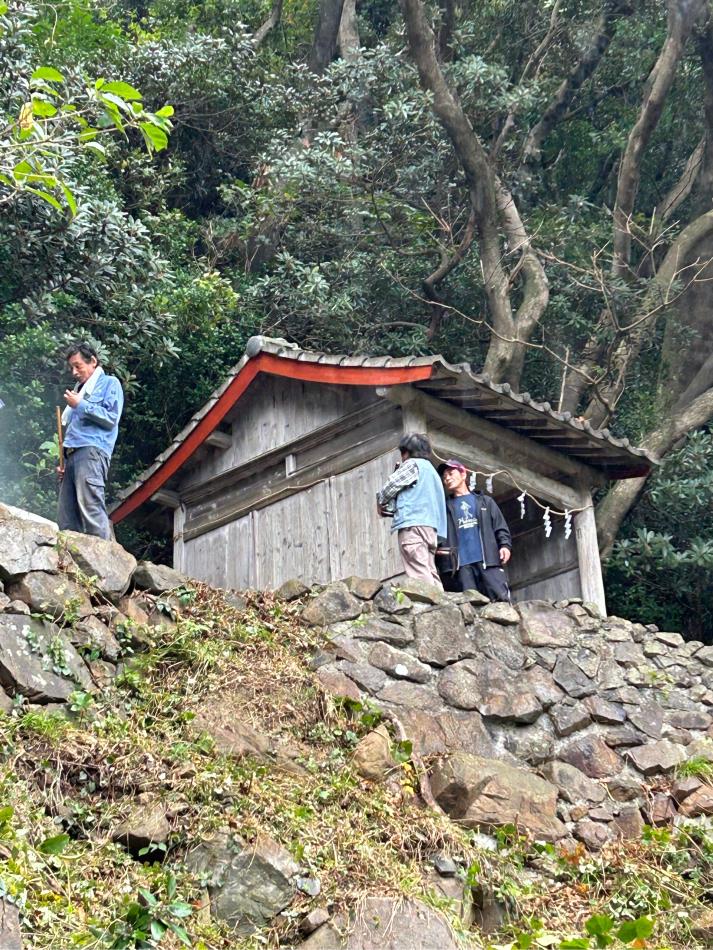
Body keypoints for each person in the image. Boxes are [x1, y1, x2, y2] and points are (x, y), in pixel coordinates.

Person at [57, 342, 124, 540]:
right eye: (72, 367)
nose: (74, 372)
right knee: (66, 517)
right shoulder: (79, 391)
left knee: (91, 508)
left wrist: (81, 404)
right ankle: (71, 566)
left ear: (93, 361)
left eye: (78, 366)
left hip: (92, 452)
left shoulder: (110, 383)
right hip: (72, 455)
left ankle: (105, 563)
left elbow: (111, 418)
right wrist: (63, 462)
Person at [376, 433, 447, 589]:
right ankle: (443, 606)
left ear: (406, 451)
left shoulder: (412, 464)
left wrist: (380, 501)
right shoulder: (432, 472)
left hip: (413, 526)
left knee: (419, 572)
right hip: (431, 528)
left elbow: (390, 486)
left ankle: (431, 610)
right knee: (430, 570)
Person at [436, 459, 512, 602]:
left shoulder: (485, 502)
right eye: (444, 476)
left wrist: (505, 545)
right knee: (469, 607)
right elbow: (437, 535)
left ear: (463, 474)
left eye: (451, 473)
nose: (447, 478)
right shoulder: (444, 508)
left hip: (487, 561)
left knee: (501, 600)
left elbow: (500, 526)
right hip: (460, 566)